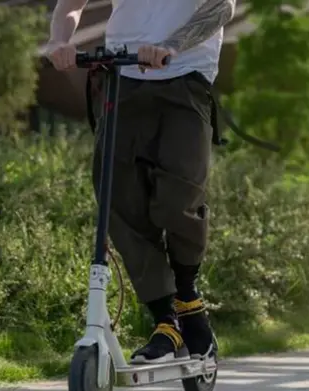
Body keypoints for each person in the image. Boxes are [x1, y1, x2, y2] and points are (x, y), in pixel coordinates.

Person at [44, 0, 235, 364]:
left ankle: (188, 298)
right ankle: (166, 321)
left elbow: (222, 7)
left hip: (185, 77)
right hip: (121, 78)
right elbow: (70, 5)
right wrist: (59, 39)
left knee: (179, 198)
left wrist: (171, 45)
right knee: (118, 198)